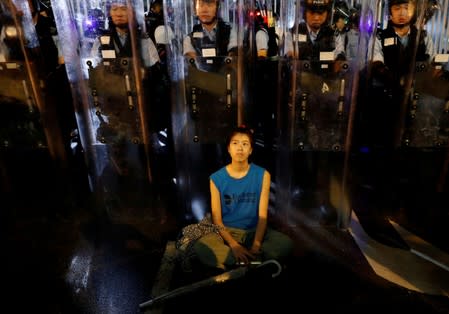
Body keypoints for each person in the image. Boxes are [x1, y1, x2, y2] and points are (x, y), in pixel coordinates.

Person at [190, 126, 294, 270]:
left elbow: (262, 216)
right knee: (201, 246)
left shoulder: (262, 175)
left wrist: (257, 244)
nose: (240, 148)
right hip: (226, 233)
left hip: (254, 231)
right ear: (228, 149)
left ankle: (239, 261)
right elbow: (217, 219)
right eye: (235, 143)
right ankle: (254, 262)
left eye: (245, 144)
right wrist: (233, 245)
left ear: (250, 150)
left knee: (285, 244)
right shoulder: (216, 178)